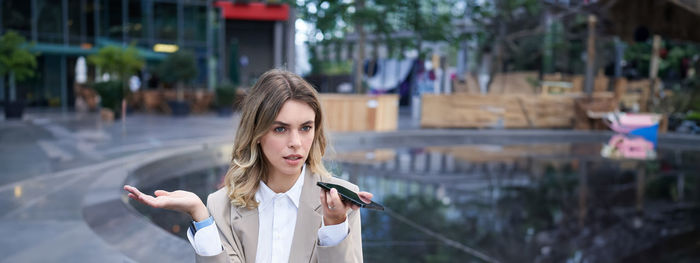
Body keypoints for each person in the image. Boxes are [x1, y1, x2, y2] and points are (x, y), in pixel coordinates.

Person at [124, 69, 373, 263]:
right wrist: (200, 215)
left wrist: (334, 226)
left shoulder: (340, 200)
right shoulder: (221, 205)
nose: (296, 143)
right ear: (257, 133)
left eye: (305, 128)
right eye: (280, 129)